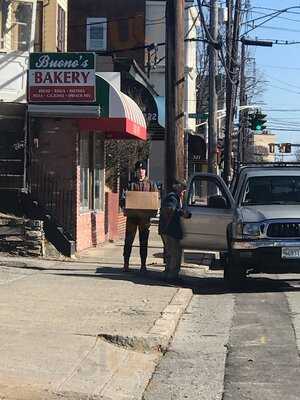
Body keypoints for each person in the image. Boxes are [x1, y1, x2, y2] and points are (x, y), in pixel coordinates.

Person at [122, 160, 158, 273]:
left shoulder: (151, 184)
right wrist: (124, 205)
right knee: (128, 241)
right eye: (138, 170)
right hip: (132, 217)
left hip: (144, 218)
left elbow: (155, 199)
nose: (141, 172)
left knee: (143, 242)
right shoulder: (130, 184)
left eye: (142, 170)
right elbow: (123, 198)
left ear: (145, 171)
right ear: (135, 172)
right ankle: (126, 264)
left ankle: (143, 265)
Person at [159, 180, 188, 282]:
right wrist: (182, 213)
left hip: (169, 229)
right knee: (174, 254)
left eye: (184, 190)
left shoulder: (175, 197)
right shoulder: (172, 197)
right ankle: (171, 276)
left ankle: (168, 274)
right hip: (169, 230)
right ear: (177, 187)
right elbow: (170, 210)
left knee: (171, 253)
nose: (183, 192)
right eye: (182, 189)